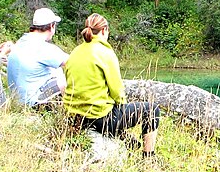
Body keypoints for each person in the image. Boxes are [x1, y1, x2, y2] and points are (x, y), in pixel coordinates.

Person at [64, 13, 160, 157]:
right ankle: (149, 158)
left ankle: (129, 142)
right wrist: (121, 107)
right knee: (152, 109)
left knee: (115, 114)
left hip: (77, 117)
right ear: (104, 30)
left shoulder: (75, 52)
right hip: (100, 118)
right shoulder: (105, 53)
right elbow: (118, 93)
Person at [7, 7, 69, 107]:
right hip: (33, 103)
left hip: (16, 101)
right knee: (59, 73)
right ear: (51, 26)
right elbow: (73, 62)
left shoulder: (21, 42)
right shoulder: (43, 48)